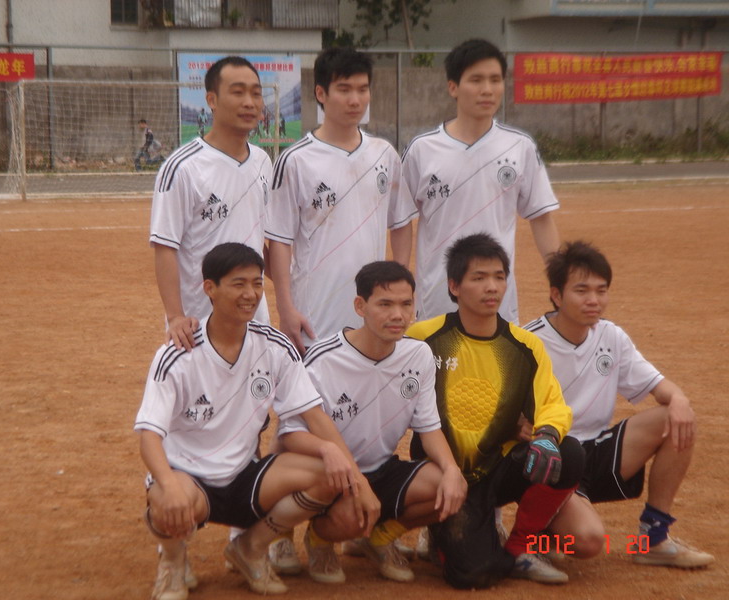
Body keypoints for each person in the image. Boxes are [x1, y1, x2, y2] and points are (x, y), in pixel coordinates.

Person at [135, 242, 378, 599]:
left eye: (257, 283)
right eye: (238, 284)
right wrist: (169, 483)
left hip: (245, 478)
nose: (250, 294)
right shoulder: (178, 353)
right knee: (164, 496)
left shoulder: (275, 346)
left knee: (330, 473)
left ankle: (250, 548)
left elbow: (314, 415)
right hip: (189, 480)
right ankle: (172, 561)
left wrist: (355, 475)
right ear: (209, 288)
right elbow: (149, 434)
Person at [406, 233, 584, 588]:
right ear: (454, 286)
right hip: (446, 471)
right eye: (479, 277)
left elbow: (551, 403)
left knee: (569, 452)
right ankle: (445, 531)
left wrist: (547, 434)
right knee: (471, 575)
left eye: (499, 277)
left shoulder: (524, 346)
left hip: (499, 464)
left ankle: (519, 548)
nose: (492, 287)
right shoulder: (423, 338)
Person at [524, 240, 714, 568]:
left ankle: (653, 538)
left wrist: (680, 399)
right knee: (587, 542)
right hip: (556, 458)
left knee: (676, 417)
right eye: (582, 290)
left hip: (597, 450)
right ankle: (539, 534)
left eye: (601, 291)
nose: (594, 300)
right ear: (556, 295)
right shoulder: (528, 342)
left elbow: (661, 387)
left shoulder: (611, 336)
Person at [277, 261, 467, 584]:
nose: (398, 315)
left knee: (449, 487)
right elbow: (289, 434)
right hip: (332, 476)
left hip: (381, 467)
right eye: (385, 304)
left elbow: (429, 428)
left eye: (406, 304)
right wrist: (339, 464)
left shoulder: (418, 356)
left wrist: (451, 470)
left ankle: (378, 538)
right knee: (351, 516)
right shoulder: (323, 359)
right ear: (360, 306)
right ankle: (320, 539)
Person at [265, 47, 416, 355]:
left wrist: (397, 288)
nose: (355, 100)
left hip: (371, 315)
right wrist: (285, 306)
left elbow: (401, 223)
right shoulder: (295, 160)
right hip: (314, 316)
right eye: (344, 90)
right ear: (321, 93)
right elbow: (279, 241)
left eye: (363, 89)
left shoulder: (384, 154)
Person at [401, 39, 560, 324]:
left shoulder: (520, 147)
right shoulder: (422, 149)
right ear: (453, 87)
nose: (487, 89)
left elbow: (541, 218)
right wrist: (399, 284)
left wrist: (561, 278)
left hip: (498, 303)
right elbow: (400, 221)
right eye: (476, 80)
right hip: (437, 303)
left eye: (495, 80)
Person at [150, 56, 272, 352]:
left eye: (256, 93)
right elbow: (165, 246)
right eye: (238, 92)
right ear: (212, 100)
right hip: (198, 325)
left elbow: (261, 240)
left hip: (254, 318)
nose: (249, 102)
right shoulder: (183, 167)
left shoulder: (263, 161)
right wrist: (175, 317)